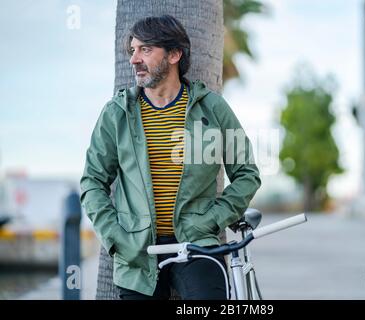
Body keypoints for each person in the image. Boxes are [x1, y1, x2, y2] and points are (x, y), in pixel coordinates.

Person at [80, 15, 261, 300]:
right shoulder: (117, 113)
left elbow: (247, 173)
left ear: (175, 54)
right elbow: (92, 181)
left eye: (146, 50)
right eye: (133, 50)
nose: (134, 59)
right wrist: (117, 238)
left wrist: (212, 220)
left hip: (198, 245)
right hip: (137, 253)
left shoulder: (212, 108)